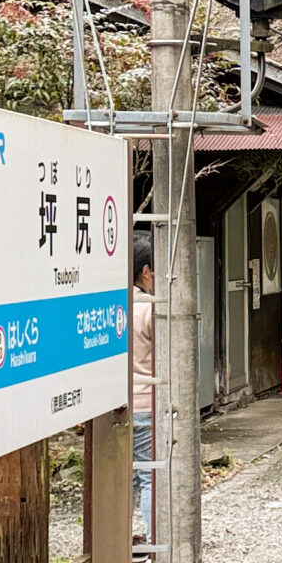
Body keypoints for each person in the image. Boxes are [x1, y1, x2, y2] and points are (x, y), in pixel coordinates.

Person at [130, 232, 156, 541]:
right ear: (146, 272)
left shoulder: (105, 308)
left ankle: (117, 549)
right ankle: (153, 545)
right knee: (150, 476)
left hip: (114, 403)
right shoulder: (149, 308)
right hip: (145, 399)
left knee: (125, 479)